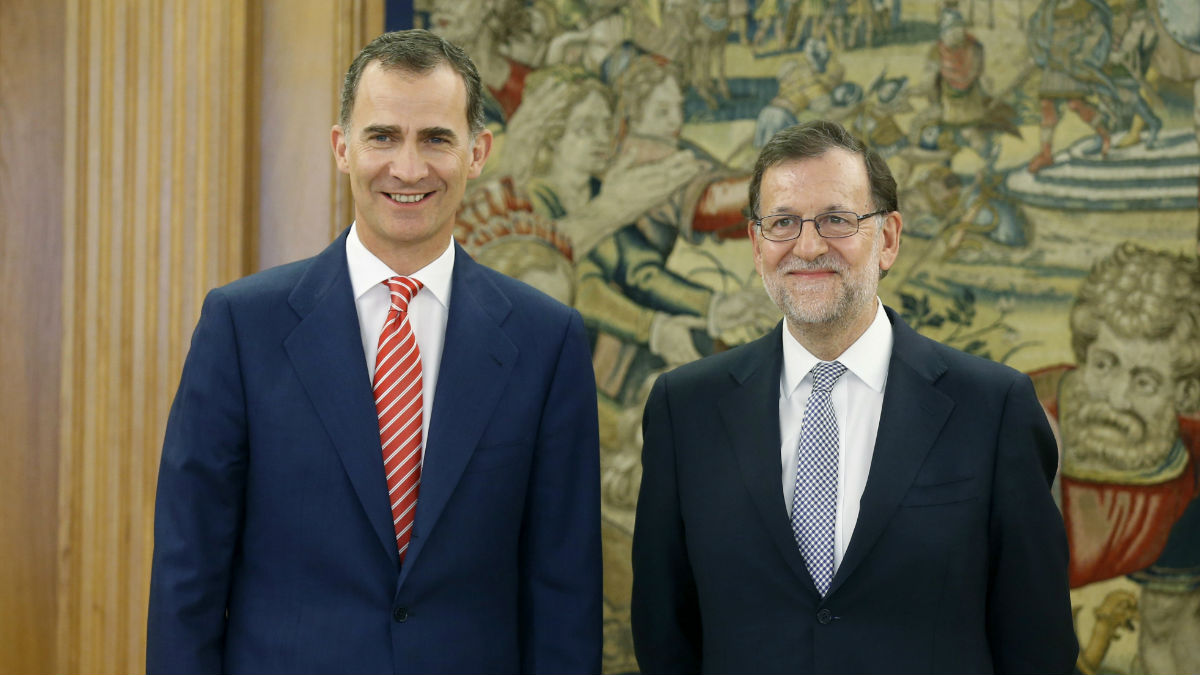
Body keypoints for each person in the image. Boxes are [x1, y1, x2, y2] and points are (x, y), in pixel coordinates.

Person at [146, 29, 602, 674]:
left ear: (478, 152)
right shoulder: (241, 326)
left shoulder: (547, 340)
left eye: (436, 139)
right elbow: (187, 575)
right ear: (342, 148)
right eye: (382, 136)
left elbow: (565, 593)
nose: (408, 168)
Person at [630, 119, 1077, 674]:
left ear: (887, 239)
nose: (809, 245)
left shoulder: (994, 407)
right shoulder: (684, 409)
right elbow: (663, 634)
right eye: (783, 222)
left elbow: (1039, 645)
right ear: (756, 242)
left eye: (837, 220)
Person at [1032, 243, 1200, 674]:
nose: (1117, 399)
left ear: (1185, 395)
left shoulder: (1191, 471)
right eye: (1104, 365)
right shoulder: (1017, 423)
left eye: (1144, 381)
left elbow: (1169, 632)